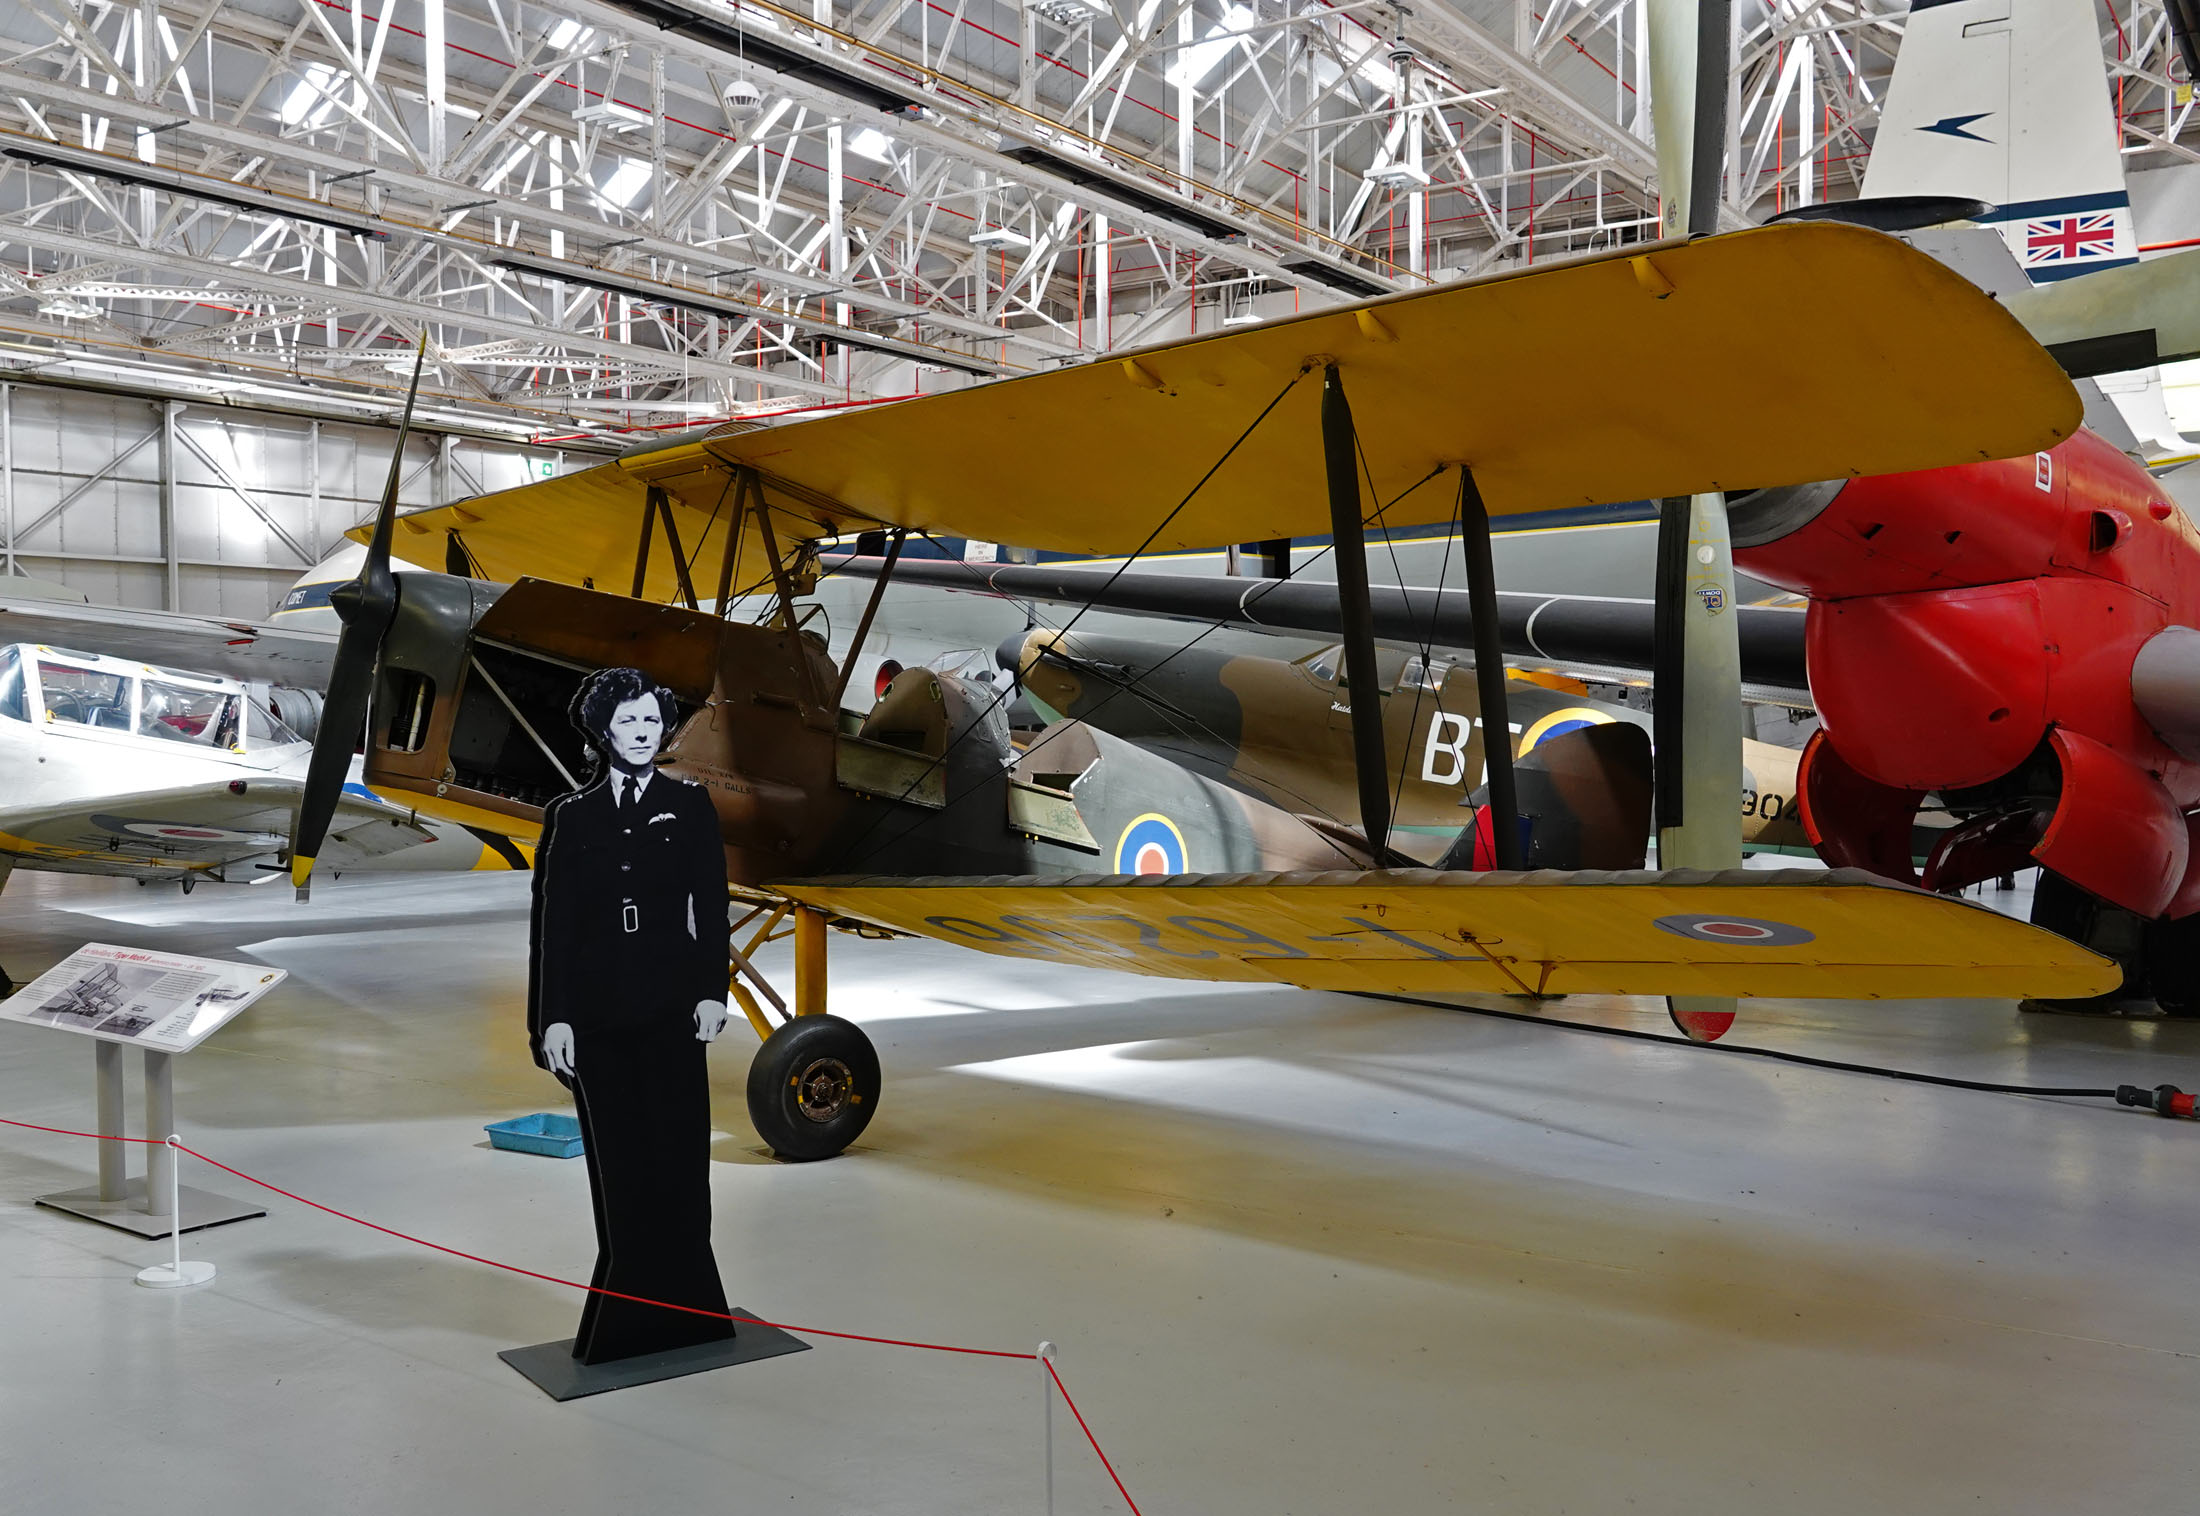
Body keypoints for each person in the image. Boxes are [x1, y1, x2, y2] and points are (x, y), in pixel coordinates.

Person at [527, 666, 735, 1365]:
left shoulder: (691, 805)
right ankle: (636, 1287)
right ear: (603, 731)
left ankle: (687, 1293)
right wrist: (554, 1018)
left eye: (652, 722)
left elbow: (710, 906)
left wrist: (712, 991)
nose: (644, 734)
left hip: (673, 1006)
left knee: (679, 1153)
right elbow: (557, 928)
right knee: (621, 1161)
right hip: (598, 1013)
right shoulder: (574, 817)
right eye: (629, 723)